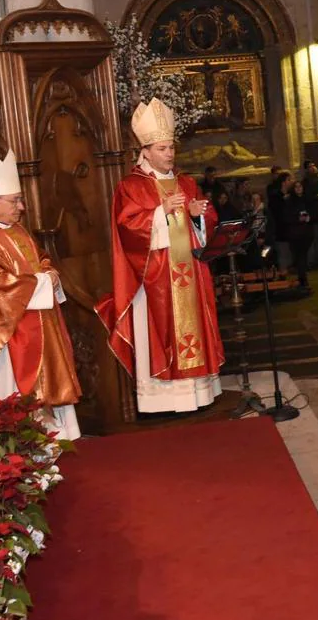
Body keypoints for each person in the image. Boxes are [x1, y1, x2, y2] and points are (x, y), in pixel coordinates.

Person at [96, 99, 223, 415]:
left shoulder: (186, 182)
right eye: (164, 148)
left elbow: (209, 222)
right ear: (146, 151)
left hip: (189, 271)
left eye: (172, 148)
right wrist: (159, 213)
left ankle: (199, 394)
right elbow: (127, 229)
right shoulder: (131, 186)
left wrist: (196, 216)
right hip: (156, 278)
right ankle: (164, 401)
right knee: (162, 331)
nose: (170, 154)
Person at [0, 149, 81, 439]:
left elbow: (39, 258)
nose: (21, 207)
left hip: (40, 321)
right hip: (10, 332)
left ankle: (55, 438)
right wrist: (41, 282)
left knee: (49, 381)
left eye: (19, 199)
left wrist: (48, 271)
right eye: (14, 200)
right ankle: (25, 445)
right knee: (16, 393)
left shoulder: (17, 230)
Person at [282, 180, 314, 290]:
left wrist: (310, 218)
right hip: (295, 233)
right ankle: (302, 279)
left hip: (306, 233)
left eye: (300, 186)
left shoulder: (307, 199)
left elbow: (315, 213)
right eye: (296, 187)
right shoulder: (290, 201)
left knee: (302, 256)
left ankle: (302, 279)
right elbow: (286, 217)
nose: (299, 188)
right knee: (300, 256)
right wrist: (298, 219)